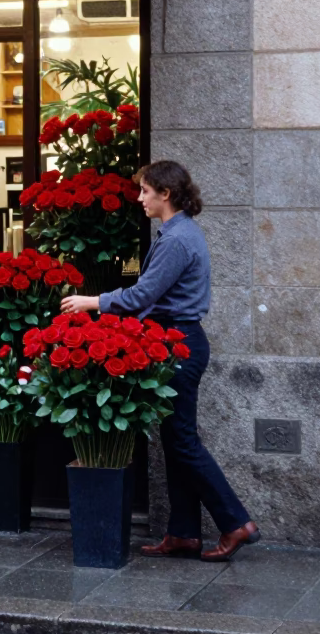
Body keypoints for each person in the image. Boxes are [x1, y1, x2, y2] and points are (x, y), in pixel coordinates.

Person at [60, 160, 259, 563]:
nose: (140, 198)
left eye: (145, 191)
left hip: (179, 343)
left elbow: (142, 295)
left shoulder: (175, 240)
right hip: (176, 341)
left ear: (165, 193)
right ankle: (183, 533)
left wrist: (92, 302)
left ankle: (235, 521)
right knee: (175, 441)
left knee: (183, 440)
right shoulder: (178, 233)